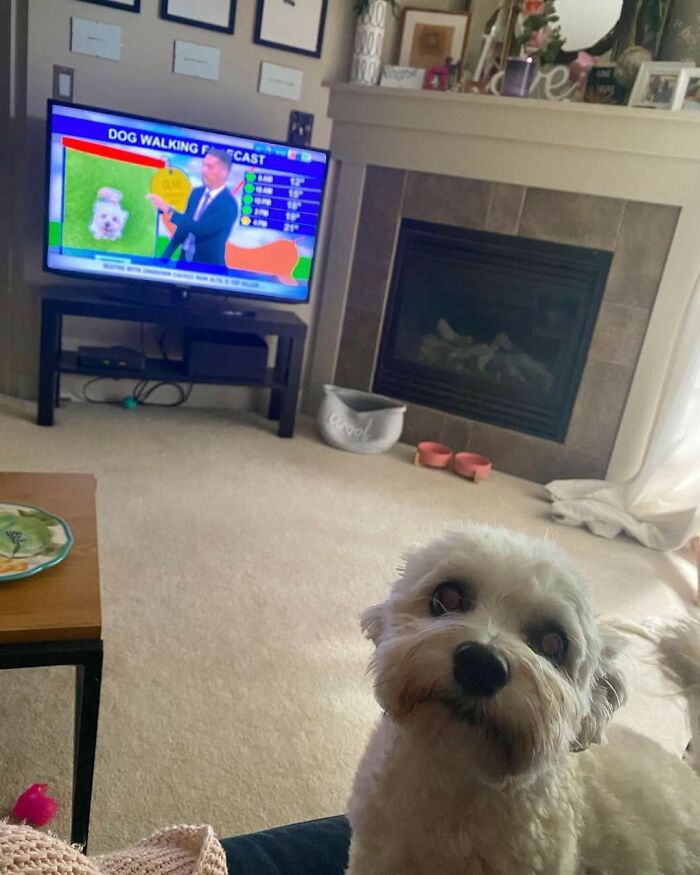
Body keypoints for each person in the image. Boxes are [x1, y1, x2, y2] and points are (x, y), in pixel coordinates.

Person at [147, 148, 237, 267]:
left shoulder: (228, 205)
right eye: (203, 165)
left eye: (210, 167)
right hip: (183, 263)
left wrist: (169, 210)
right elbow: (184, 228)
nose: (204, 171)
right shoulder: (196, 193)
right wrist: (164, 259)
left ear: (223, 173)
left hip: (208, 271)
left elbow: (200, 229)